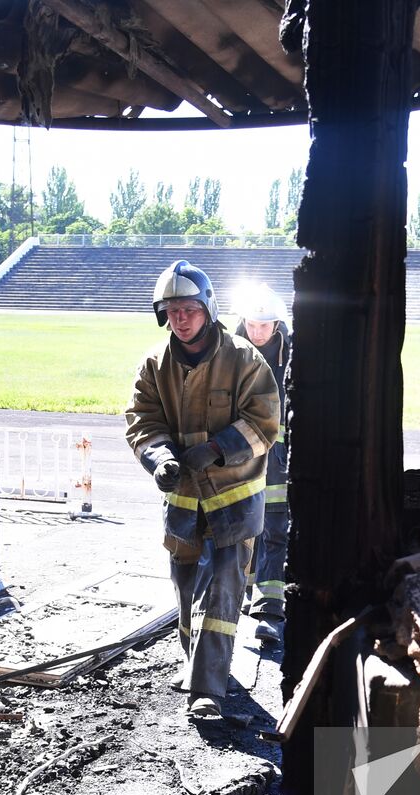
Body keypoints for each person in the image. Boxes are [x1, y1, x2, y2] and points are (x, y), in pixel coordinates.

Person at [125, 261, 280, 720]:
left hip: (234, 498)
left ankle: (207, 688)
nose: (181, 319)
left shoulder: (244, 359)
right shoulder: (155, 365)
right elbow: (142, 420)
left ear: (208, 309)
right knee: (186, 584)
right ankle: (197, 663)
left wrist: (216, 449)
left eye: (189, 309)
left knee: (223, 587)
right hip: (183, 501)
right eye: (172, 311)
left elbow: (264, 422)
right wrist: (160, 458)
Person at [233, 283, 292, 644]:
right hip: (237, 455)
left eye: (264, 325)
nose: (257, 332)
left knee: (275, 526)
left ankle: (270, 608)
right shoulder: (228, 351)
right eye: (252, 325)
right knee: (241, 526)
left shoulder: (292, 354)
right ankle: (244, 590)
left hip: (278, 458)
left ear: (277, 324)